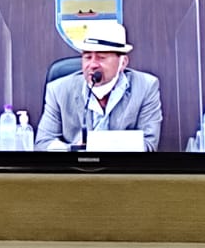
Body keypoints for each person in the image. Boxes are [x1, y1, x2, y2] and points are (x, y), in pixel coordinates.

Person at [35, 21, 162, 151]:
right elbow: (42, 144)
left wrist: (99, 145)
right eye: (87, 57)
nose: (93, 65)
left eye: (101, 57)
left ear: (123, 62)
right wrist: (73, 149)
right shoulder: (58, 90)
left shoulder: (146, 87)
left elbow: (149, 145)